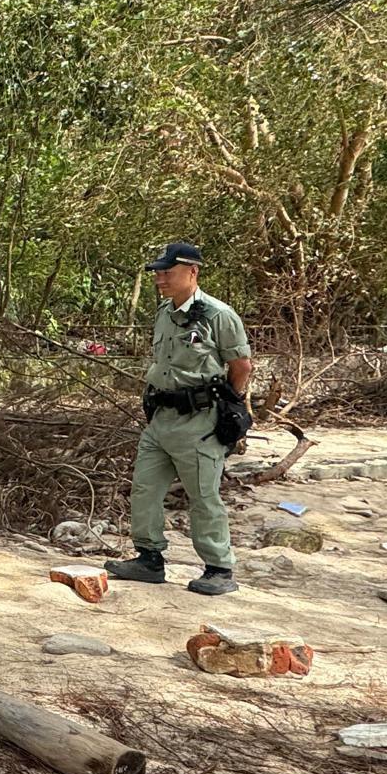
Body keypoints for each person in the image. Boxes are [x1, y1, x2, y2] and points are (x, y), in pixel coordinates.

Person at [106, 241, 253, 596]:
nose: (160, 279)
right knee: (144, 487)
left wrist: (226, 405)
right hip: (161, 418)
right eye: (158, 273)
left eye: (167, 273)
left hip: (199, 421)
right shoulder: (163, 312)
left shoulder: (219, 316)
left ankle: (219, 568)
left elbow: (241, 367)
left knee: (203, 495)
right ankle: (149, 559)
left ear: (193, 271)